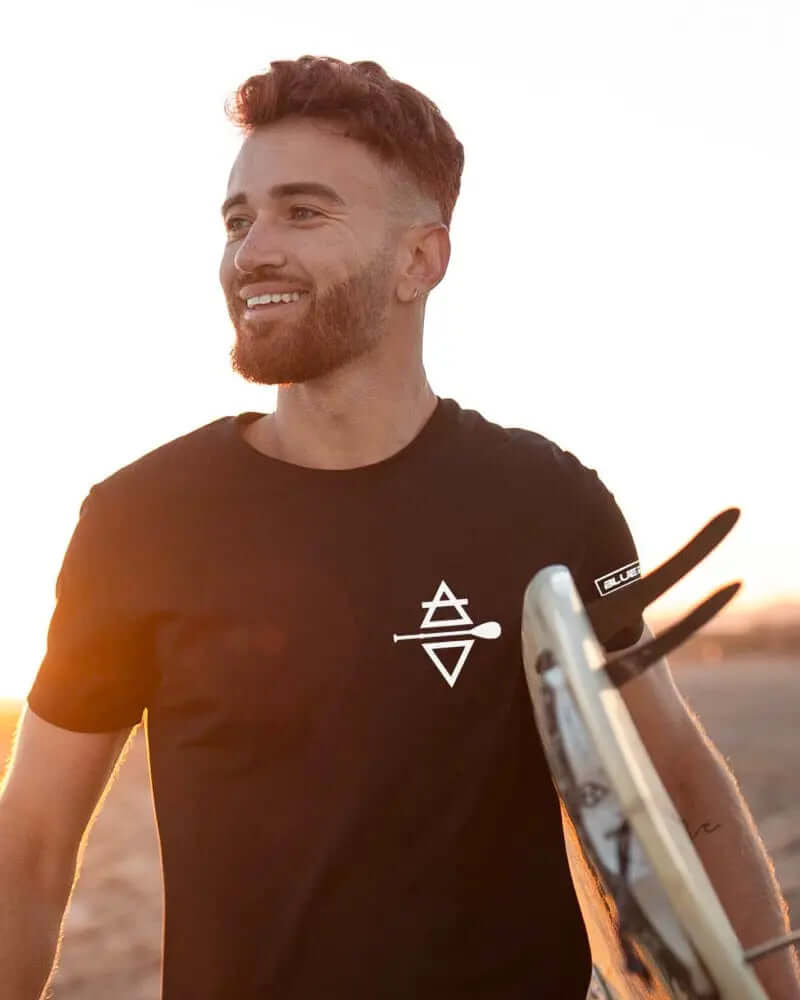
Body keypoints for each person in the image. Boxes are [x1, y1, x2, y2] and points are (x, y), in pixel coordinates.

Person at [3, 55, 798, 1000]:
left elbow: (673, 784)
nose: (252, 250)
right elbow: (33, 848)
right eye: (237, 218)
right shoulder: (140, 519)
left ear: (421, 259)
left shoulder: (550, 502)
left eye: (303, 212)